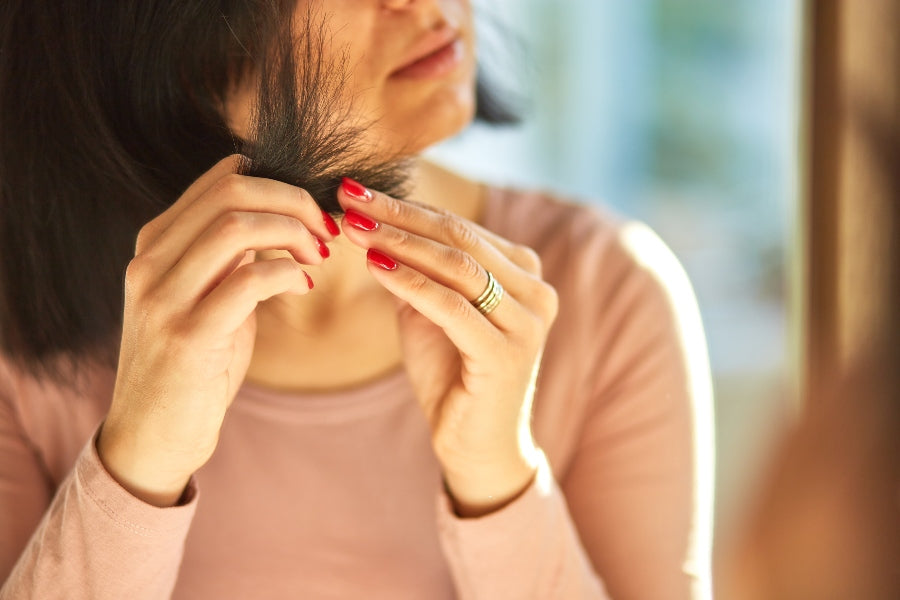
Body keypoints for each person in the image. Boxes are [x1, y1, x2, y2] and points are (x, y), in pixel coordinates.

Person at [0, 1, 713, 598]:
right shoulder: (23, 333)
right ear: (173, 45)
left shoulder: (609, 290)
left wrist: (501, 479)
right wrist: (133, 469)